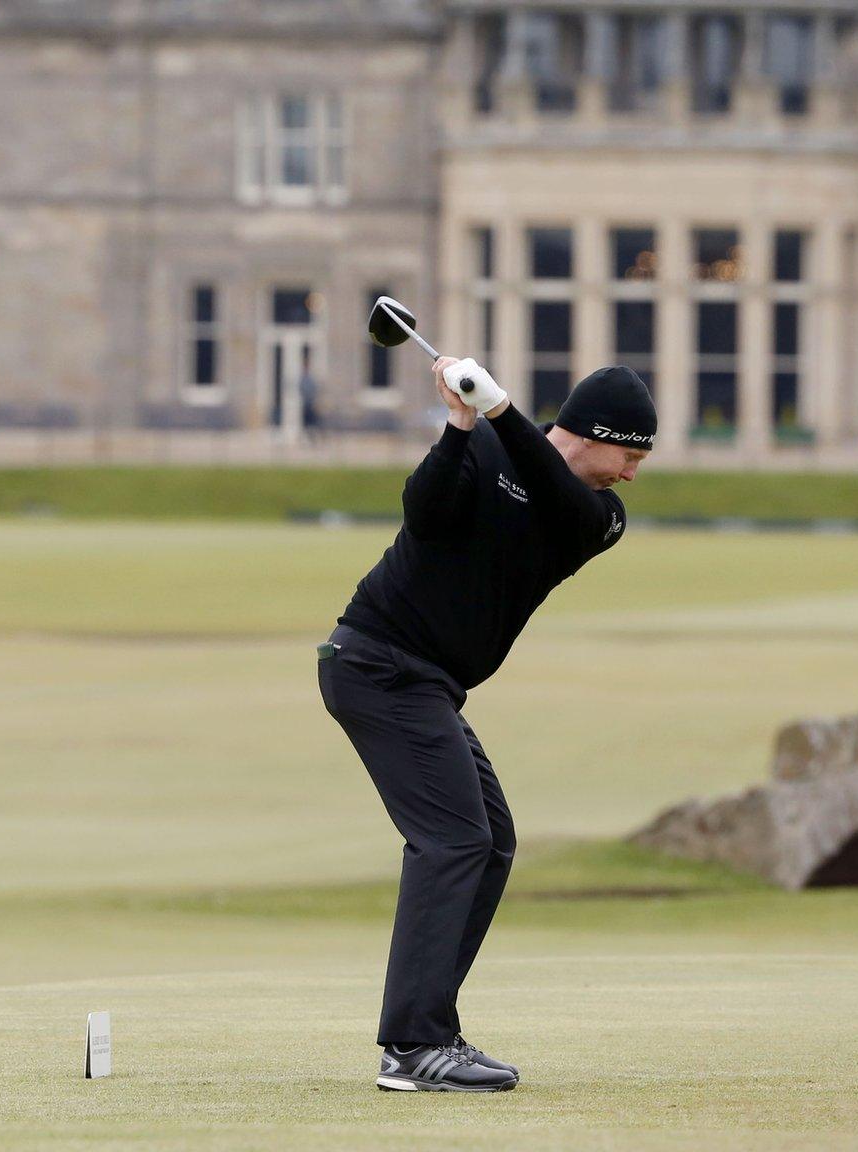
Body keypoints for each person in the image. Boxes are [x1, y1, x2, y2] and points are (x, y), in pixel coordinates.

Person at [318, 354, 652, 1092]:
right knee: (454, 840)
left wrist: (499, 413)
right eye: (628, 455)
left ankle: (432, 1028)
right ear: (593, 436)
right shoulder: (489, 444)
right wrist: (459, 426)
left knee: (490, 841)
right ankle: (413, 1046)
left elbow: (558, 501)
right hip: (378, 665)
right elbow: (426, 514)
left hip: (425, 683)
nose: (631, 474)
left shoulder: (601, 516)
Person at [297, 351, 321, 444]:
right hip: (305, 403)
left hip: (310, 404)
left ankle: (312, 440)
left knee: (313, 424)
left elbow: (314, 389)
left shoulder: (310, 378)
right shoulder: (302, 378)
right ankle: (305, 440)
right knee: (305, 424)